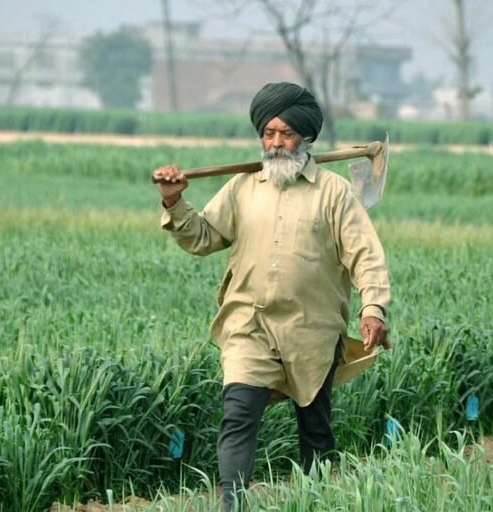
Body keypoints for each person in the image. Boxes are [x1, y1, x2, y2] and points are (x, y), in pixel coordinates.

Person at [153, 81, 390, 511]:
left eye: (286, 134)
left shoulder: (334, 192)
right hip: (250, 324)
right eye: (269, 134)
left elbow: (366, 257)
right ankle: (233, 505)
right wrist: (175, 203)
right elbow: (204, 236)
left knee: (315, 430)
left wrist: (373, 309)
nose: (276, 143)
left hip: (312, 330)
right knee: (238, 414)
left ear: (306, 136)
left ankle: (315, 501)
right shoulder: (244, 187)